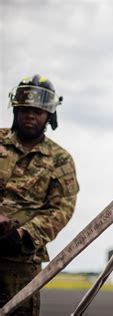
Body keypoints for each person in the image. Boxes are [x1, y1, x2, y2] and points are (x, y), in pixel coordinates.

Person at [0, 74, 79, 315]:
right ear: (16, 110)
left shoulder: (60, 159)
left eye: (38, 111)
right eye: (25, 109)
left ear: (49, 115)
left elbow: (62, 208)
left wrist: (23, 235)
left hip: (20, 264)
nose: (30, 115)